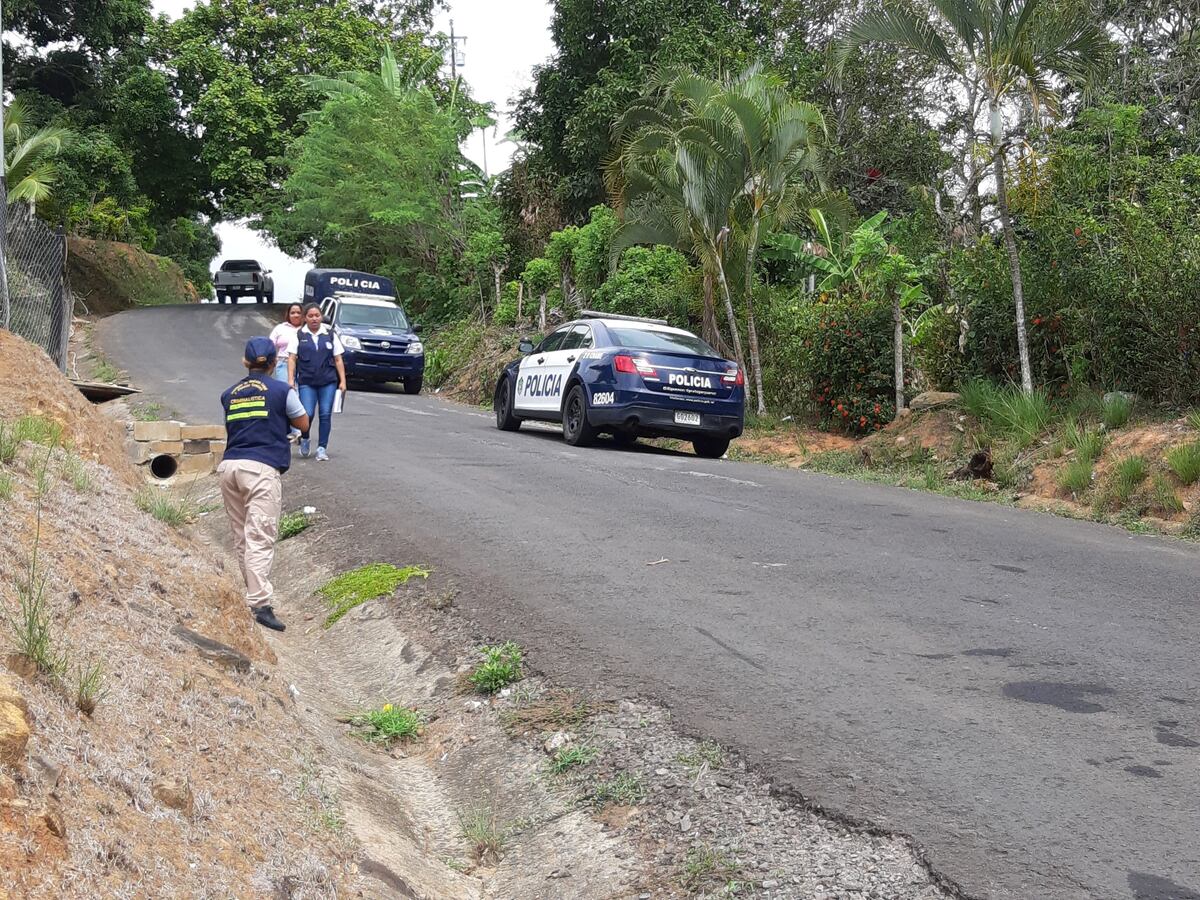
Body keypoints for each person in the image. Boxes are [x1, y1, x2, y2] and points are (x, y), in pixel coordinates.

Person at [218, 336, 309, 632]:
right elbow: (303, 423)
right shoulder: (283, 390)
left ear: (245, 362)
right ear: (274, 363)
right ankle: (260, 605)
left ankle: (253, 594)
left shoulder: (229, 394)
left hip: (229, 467)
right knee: (260, 536)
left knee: (242, 536)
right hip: (260, 471)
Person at [287, 303, 346, 462]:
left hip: (328, 381)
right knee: (308, 413)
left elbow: (338, 359)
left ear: (321, 317)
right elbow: (292, 358)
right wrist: (291, 379)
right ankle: (305, 438)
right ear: (305, 318)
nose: (314, 319)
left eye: (317, 316)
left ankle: (322, 448)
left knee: (325, 413)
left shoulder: (330, 334)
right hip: (307, 381)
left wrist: (343, 381)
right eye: (310, 316)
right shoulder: (299, 335)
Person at [269, 303, 304, 440]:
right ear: (288, 315)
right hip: (283, 363)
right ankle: (292, 430)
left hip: (303, 364)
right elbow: (270, 345)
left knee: (300, 395)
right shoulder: (280, 328)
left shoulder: (306, 330)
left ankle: (298, 429)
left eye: (298, 312)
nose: (295, 315)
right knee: (288, 395)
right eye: (292, 312)